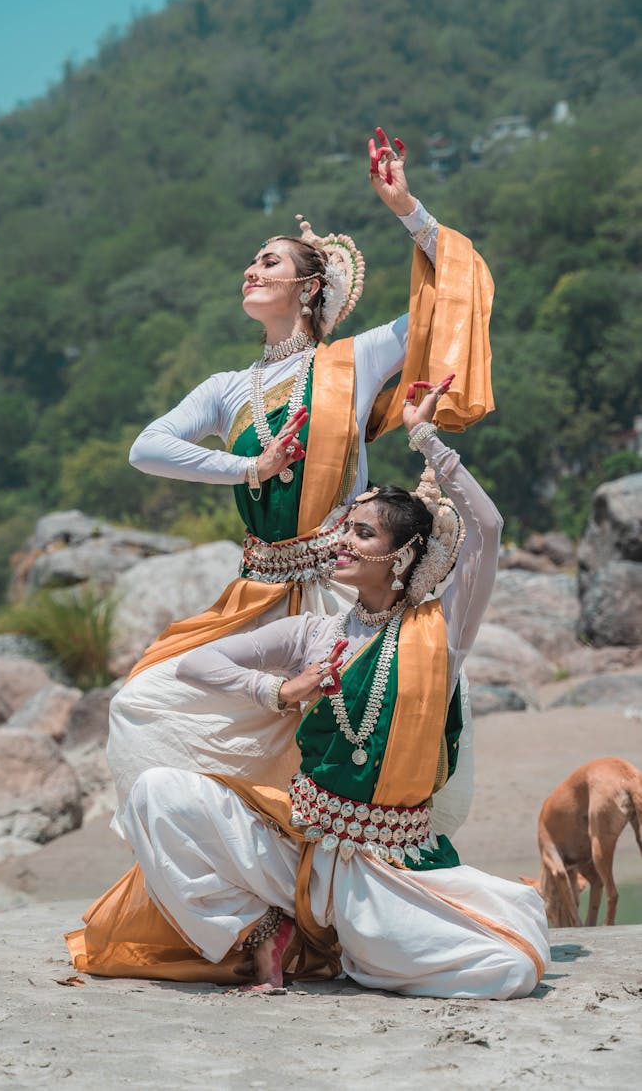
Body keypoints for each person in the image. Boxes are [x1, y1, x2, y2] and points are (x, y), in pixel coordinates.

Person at [67, 380, 549, 997]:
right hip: (301, 848)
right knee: (156, 797)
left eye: (364, 533)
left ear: (402, 555)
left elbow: (486, 524)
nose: (342, 541)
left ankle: (350, 939)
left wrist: (425, 438)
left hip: (385, 870)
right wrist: (280, 692)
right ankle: (266, 930)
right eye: (345, 529)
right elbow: (196, 666)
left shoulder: (440, 633)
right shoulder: (314, 635)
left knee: (508, 968)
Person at [106, 128, 495, 834]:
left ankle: (342, 894)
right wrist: (247, 467)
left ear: (310, 287)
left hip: (346, 585)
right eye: (252, 261)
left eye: (270, 261)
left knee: (348, 734)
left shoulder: (357, 358)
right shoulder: (228, 387)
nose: (252, 269)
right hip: (256, 592)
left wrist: (407, 208)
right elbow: (146, 447)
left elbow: (453, 296)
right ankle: (262, 897)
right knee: (143, 701)